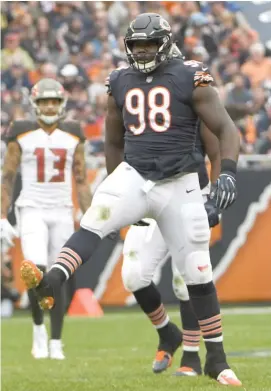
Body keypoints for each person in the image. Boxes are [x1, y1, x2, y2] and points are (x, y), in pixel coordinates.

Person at [19, 13, 241, 386]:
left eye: (147, 45)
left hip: (181, 181)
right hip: (136, 174)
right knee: (97, 216)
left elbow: (225, 128)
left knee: (197, 271)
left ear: (165, 43)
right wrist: (116, 183)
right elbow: (113, 140)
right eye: (135, 45)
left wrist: (228, 171)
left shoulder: (190, 75)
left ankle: (215, 358)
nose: (141, 52)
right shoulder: (119, 80)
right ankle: (54, 279)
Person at [1, 78, 92, 360]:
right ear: (35, 105)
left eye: (53, 101)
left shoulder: (74, 133)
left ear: (62, 103)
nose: (49, 106)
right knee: (35, 269)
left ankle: (56, 341)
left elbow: (81, 179)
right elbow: (8, 176)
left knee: (59, 275)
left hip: (62, 209)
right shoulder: (21, 131)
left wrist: (89, 217)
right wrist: (2, 215)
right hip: (32, 209)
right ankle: (39, 331)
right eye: (44, 102)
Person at [121, 121, 220, 376]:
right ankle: (167, 333)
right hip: (147, 195)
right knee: (134, 274)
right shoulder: (134, 90)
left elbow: (219, 145)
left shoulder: (191, 91)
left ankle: (191, 357)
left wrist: (214, 195)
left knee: (185, 278)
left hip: (189, 192)